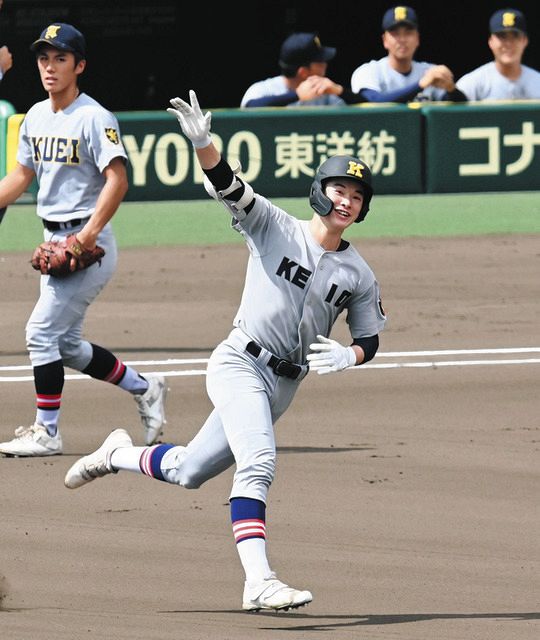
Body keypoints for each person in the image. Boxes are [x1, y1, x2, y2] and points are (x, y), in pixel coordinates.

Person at [64, 89, 387, 612]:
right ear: (319, 192)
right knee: (257, 460)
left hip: (284, 385)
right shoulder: (274, 226)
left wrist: (351, 356)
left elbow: (369, 338)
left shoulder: (359, 274)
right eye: (339, 188)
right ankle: (259, 580)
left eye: (357, 194)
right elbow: (230, 188)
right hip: (240, 361)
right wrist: (203, 144)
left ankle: (115, 453)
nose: (347, 199)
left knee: (190, 470)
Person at [0, 23, 168, 457]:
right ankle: (145, 388)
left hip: (90, 247)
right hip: (53, 239)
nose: (50, 67)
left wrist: (87, 234)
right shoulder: (34, 116)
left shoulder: (95, 117)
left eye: (60, 58)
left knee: (40, 333)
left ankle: (47, 432)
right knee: (67, 345)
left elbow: (118, 180)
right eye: (43, 58)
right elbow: (22, 175)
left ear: (80, 65)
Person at [350, 5, 466, 103]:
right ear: (385, 40)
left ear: (417, 39)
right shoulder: (369, 71)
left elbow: (459, 111)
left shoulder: (430, 71)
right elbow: (373, 101)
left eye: (408, 33)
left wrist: (451, 89)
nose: (402, 39)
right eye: (395, 33)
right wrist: (420, 85)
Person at [240, 32, 364, 108]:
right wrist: (297, 95)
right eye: (320, 62)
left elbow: (366, 107)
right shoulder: (265, 89)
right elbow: (249, 107)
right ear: (303, 72)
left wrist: (340, 91)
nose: (325, 64)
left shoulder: (323, 92)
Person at [455, 8, 540, 101]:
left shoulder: (537, 81)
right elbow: (449, 111)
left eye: (515, 36)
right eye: (502, 36)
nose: (508, 43)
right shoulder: (473, 82)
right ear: (491, 41)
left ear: (525, 40)